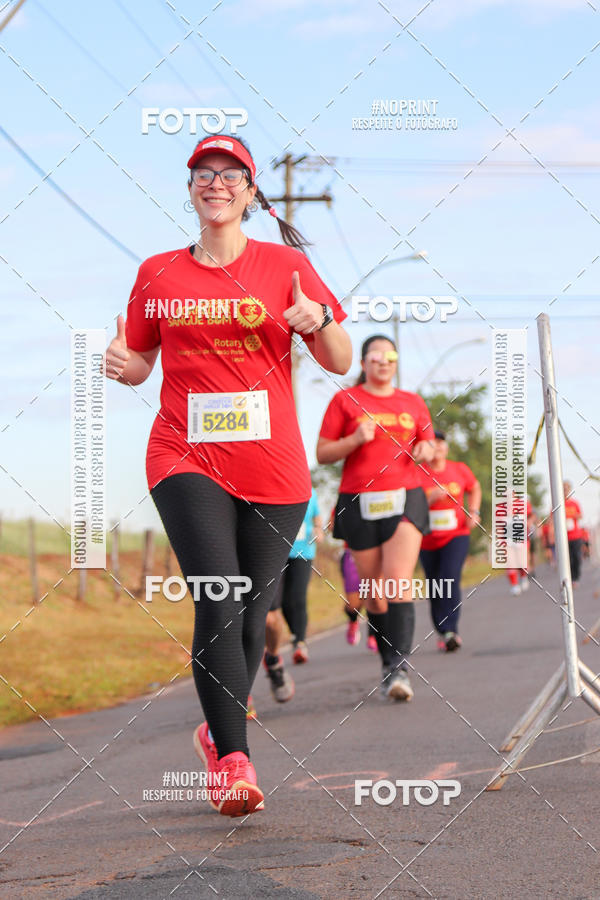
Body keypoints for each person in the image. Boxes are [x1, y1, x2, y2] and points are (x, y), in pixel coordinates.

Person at [104, 134, 351, 817]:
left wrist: (319, 318)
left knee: (249, 611)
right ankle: (235, 763)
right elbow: (140, 363)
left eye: (229, 173)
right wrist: (122, 367)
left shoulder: (285, 266)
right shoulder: (157, 273)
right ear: (190, 189)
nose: (215, 183)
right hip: (184, 454)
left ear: (249, 190)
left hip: (274, 467)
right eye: (202, 174)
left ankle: (217, 733)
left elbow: (337, 358)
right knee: (218, 595)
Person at [317, 335, 434, 702]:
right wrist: (354, 440)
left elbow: (428, 443)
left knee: (397, 582)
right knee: (375, 593)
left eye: (390, 356)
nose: (384, 362)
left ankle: (400, 669)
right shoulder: (344, 400)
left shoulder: (412, 402)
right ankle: (388, 663)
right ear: (364, 363)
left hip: (405, 496)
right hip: (359, 499)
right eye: (376, 357)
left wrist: (425, 449)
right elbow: (322, 453)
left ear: (396, 362)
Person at [419, 431, 481, 652]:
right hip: (426, 539)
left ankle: (451, 629)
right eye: (432, 443)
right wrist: (429, 497)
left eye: (441, 443)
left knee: (449, 577)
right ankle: (442, 629)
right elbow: (408, 502)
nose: (437, 447)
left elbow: (474, 488)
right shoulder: (418, 472)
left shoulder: (459, 469)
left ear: (446, 447)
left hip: (457, 534)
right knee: (435, 584)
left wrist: (473, 511)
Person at [261, 489, 322, 705]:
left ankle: (300, 642)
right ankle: (272, 658)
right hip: (273, 552)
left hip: (302, 551)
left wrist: (318, 530)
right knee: (272, 611)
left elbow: (317, 518)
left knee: (296, 598)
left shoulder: (310, 491)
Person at [340, 545, 377, 651]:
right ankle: (353, 620)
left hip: (377, 548)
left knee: (374, 596)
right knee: (353, 605)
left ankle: (373, 635)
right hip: (353, 550)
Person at [564, 481, 584, 585]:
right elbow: (552, 519)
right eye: (563, 488)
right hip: (564, 537)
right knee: (568, 558)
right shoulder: (558, 504)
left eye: (567, 488)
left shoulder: (574, 503)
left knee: (576, 557)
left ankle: (576, 577)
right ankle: (571, 579)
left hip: (576, 535)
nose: (565, 490)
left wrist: (575, 515)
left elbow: (581, 515)